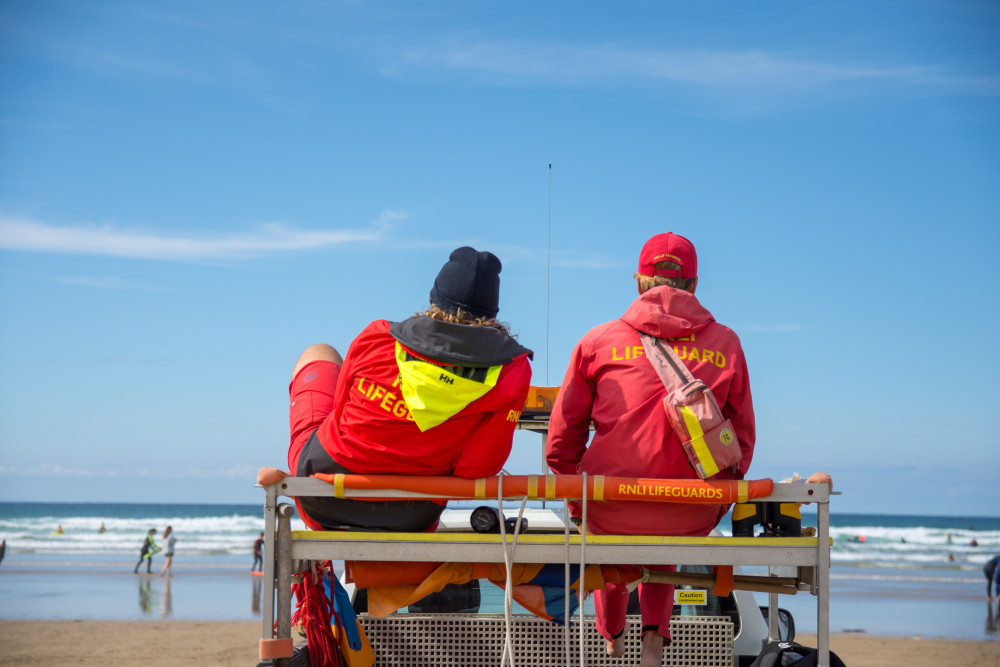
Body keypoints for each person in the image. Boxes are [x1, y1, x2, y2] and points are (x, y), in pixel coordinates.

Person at [546, 232, 755, 667]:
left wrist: (577, 499)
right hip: (691, 509)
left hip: (608, 505)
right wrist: (715, 501)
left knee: (606, 537)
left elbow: (561, 439)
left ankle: (611, 637)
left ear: (639, 281)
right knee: (668, 531)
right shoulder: (727, 343)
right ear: (694, 285)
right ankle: (654, 640)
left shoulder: (597, 340)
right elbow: (742, 437)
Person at [273, 246, 533, 532]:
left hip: (321, 492)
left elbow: (339, 410)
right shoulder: (511, 371)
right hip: (411, 515)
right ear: (492, 314)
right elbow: (475, 469)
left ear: (433, 299)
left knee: (318, 352)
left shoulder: (377, 336)